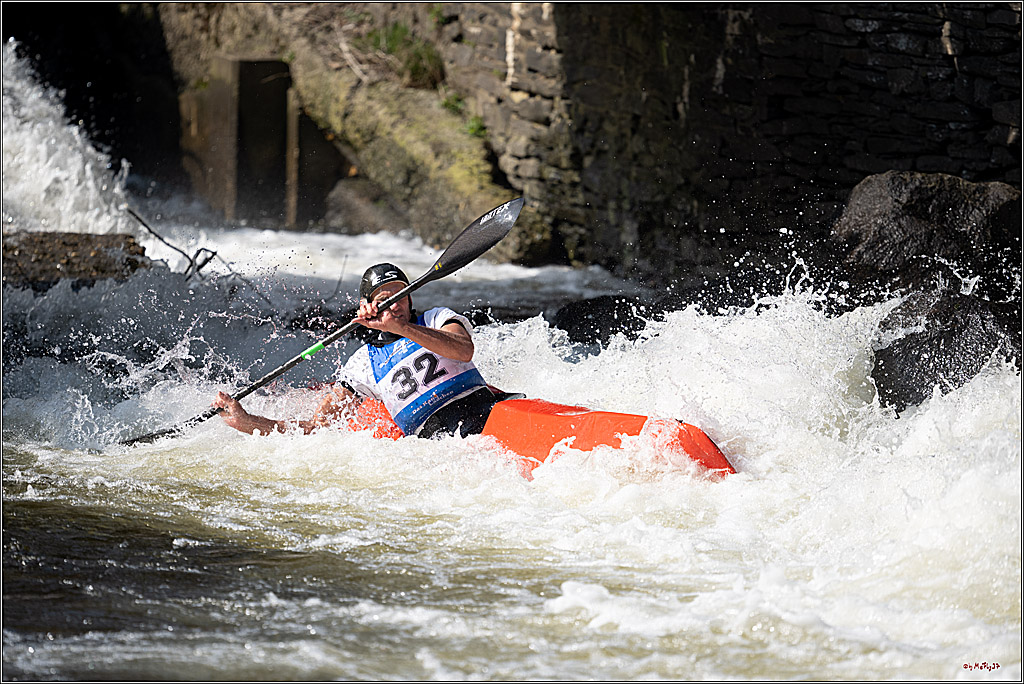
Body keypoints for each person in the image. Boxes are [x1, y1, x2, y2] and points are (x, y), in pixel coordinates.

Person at [213, 263, 510, 439]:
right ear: (367, 307)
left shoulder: (435, 319)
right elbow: (318, 429)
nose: (395, 305)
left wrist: (401, 328)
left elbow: (463, 350)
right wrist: (247, 421)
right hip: (439, 445)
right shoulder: (361, 366)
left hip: (491, 413)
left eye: (401, 296)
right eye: (384, 299)